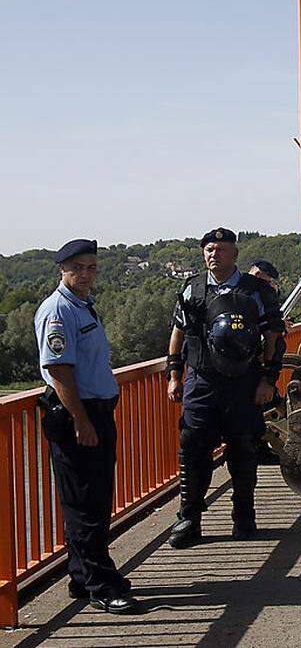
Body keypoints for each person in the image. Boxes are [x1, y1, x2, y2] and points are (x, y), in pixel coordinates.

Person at [33, 239, 142, 614]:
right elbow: (59, 370)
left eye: (92, 267)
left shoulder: (83, 306)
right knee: (85, 506)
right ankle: (101, 585)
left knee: (91, 501)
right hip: (77, 417)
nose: (86, 274)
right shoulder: (59, 311)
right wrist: (81, 420)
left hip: (93, 413)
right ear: (62, 269)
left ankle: (81, 576)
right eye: (78, 267)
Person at [165, 228, 284, 548]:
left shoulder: (256, 290)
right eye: (208, 249)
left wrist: (268, 381)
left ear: (235, 254)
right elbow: (178, 333)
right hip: (202, 380)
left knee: (244, 448)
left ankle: (244, 516)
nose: (213, 254)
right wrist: (174, 374)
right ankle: (189, 519)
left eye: (220, 249)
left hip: (244, 382)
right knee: (192, 448)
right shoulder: (192, 289)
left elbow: (274, 337)